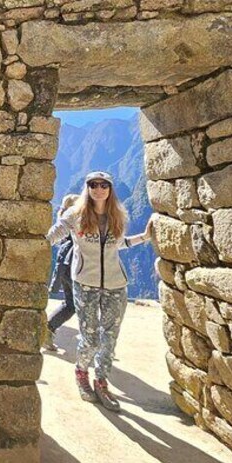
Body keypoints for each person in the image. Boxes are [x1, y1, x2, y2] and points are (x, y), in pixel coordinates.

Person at [45, 171, 152, 412]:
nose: (99, 189)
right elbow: (57, 233)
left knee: (109, 339)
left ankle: (101, 381)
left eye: (104, 185)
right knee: (90, 338)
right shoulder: (76, 214)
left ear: (110, 189)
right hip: (86, 283)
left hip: (116, 285)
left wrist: (143, 238)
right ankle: (82, 372)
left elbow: (118, 245)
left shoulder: (118, 216)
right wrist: (38, 241)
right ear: (88, 188)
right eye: (93, 184)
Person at [44, 194, 79, 352]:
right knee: (74, 304)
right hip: (73, 266)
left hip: (65, 265)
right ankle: (48, 328)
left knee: (71, 303)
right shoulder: (74, 222)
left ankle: (48, 329)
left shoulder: (63, 219)